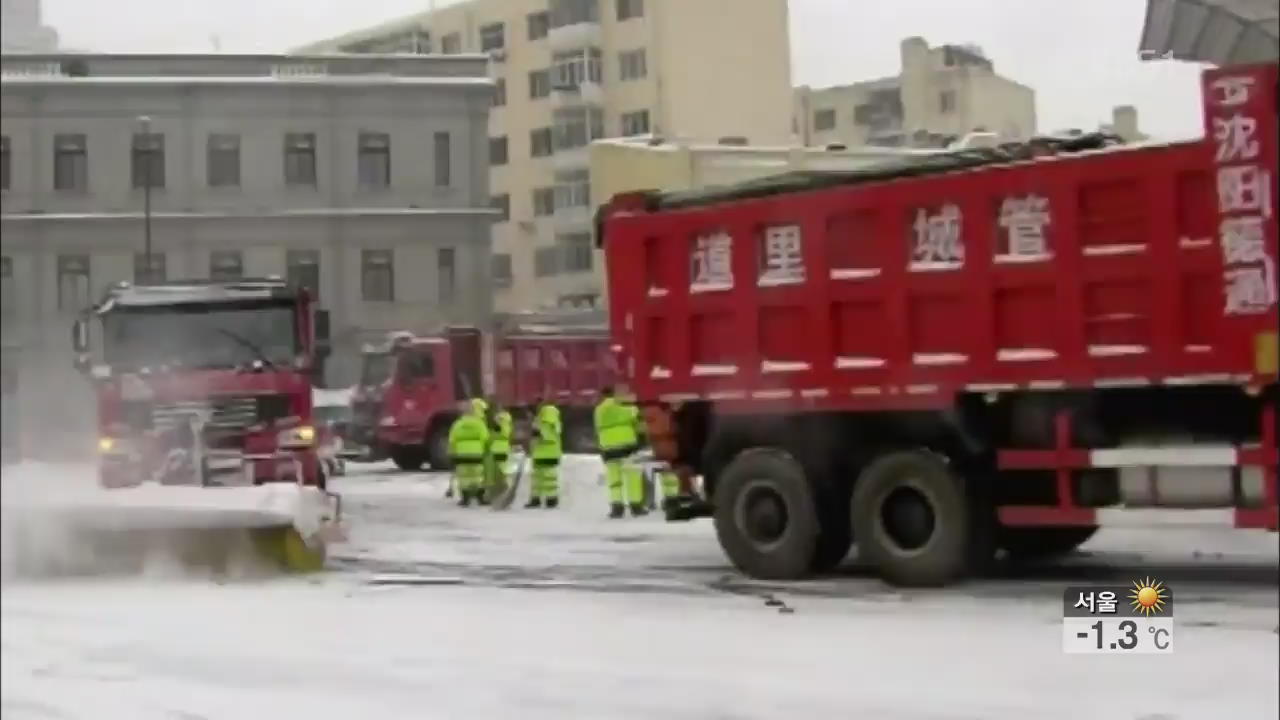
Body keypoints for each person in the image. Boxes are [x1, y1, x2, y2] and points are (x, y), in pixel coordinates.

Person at [593, 385, 646, 518]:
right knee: (632, 476)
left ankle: (617, 506)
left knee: (614, 478)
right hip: (627, 445)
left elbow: (597, 428)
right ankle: (636, 506)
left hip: (608, 446)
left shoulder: (599, 410)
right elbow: (640, 426)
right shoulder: (629, 408)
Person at [447, 398, 490, 507]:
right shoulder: (479, 424)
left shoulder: (457, 424)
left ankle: (465, 498)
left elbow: (452, 440)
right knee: (478, 476)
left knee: (464, 477)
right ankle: (480, 497)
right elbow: (485, 438)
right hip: (476, 454)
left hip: (461, 455)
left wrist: (452, 454)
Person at [526, 397, 562, 509]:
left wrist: (537, 432)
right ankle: (542, 498)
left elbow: (544, 433)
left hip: (546, 452)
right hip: (541, 453)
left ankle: (547, 498)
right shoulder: (542, 419)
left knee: (546, 476)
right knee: (539, 477)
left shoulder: (547, 417)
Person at [486, 399, 513, 504]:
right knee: (496, 473)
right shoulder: (503, 419)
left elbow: (503, 434)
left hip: (498, 449)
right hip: (497, 449)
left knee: (499, 473)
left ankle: (502, 493)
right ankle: (497, 494)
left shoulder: (502, 419)